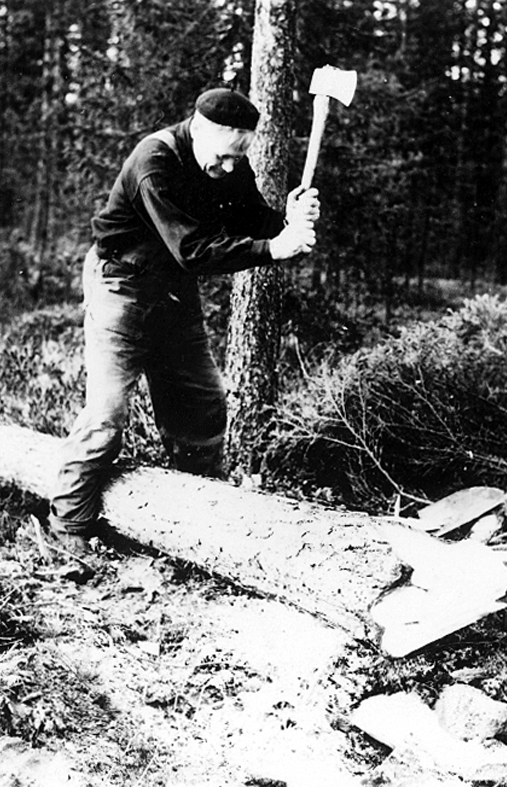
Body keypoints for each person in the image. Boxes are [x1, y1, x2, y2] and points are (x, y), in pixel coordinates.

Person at [47, 87, 320, 577]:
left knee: (203, 404)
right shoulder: (154, 161)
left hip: (173, 291)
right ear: (199, 130)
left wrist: (290, 219)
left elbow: (254, 217)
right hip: (121, 287)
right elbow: (192, 250)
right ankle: (69, 526)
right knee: (106, 416)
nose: (230, 168)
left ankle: (193, 516)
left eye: (240, 157)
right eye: (223, 156)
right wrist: (274, 249)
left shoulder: (227, 162)